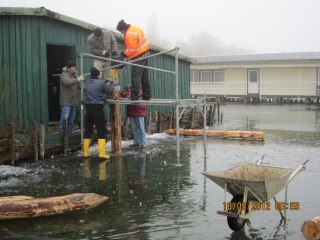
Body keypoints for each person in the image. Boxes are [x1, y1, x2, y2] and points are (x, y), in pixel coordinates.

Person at [83, 67, 115, 159]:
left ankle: (85, 152)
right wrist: (110, 85)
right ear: (98, 75)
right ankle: (102, 153)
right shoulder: (101, 83)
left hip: (88, 108)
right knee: (101, 129)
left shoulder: (88, 82)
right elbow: (110, 91)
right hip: (97, 107)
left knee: (88, 129)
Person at [116, 19, 151, 100]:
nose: (121, 33)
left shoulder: (129, 34)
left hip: (139, 56)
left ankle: (134, 97)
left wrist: (123, 54)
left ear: (123, 29)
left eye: (121, 31)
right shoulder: (134, 28)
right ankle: (146, 96)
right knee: (144, 77)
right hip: (145, 53)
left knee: (136, 77)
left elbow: (132, 49)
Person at [59, 62, 82, 134]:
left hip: (73, 102)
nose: (75, 68)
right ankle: (62, 133)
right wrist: (77, 79)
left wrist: (81, 80)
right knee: (64, 118)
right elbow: (67, 83)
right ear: (69, 68)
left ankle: (69, 133)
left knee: (71, 120)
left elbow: (82, 88)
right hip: (66, 101)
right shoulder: (63, 75)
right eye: (73, 67)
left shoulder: (75, 76)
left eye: (75, 67)